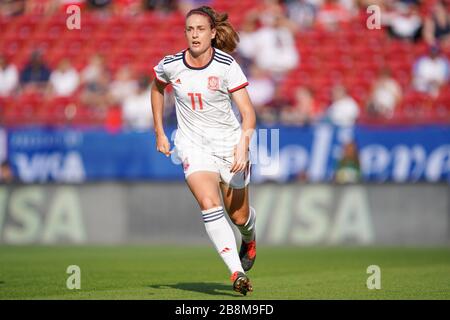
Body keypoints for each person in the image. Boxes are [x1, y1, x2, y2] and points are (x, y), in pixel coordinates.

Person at [151, 6, 257, 296]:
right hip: (193, 145)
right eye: (190, 29)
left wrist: (243, 146)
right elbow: (157, 88)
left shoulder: (226, 65)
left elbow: (248, 113)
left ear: (212, 33)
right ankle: (236, 272)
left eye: (200, 29)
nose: (194, 34)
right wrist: (160, 131)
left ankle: (249, 236)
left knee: (239, 217)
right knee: (209, 203)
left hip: (230, 145)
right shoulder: (171, 65)